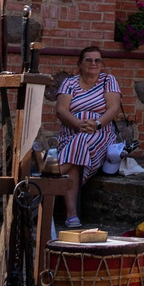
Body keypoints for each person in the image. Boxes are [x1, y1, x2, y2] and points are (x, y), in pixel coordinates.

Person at [43, 47, 120, 229]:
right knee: (77, 150)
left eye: (97, 60)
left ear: (102, 64)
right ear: (79, 64)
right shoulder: (69, 83)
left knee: (79, 143)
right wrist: (78, 124)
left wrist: (97, 124)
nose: (93, 63)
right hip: (71, 132)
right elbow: (61, 110)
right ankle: (72, 216)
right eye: (88, 60)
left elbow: (113, 108)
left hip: (100, 134)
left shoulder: (108, 81)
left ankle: (48, 180)